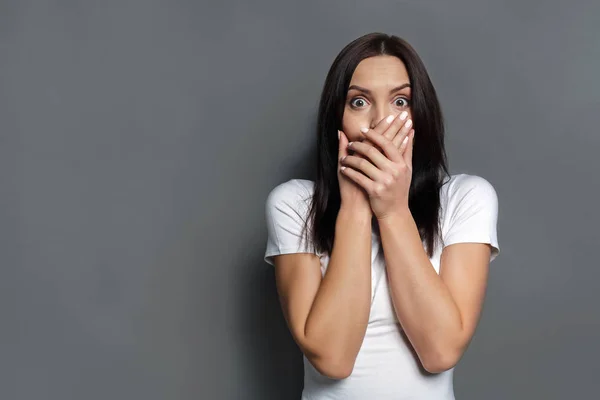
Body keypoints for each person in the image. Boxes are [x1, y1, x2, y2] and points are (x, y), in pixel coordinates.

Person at [263, 32, 500, 399]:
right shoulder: (294, 204)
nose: (379, 121)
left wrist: (392, 211)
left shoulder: (465, 198)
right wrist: (357, 206)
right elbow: (332, 357)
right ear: (336, 120)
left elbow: (440, 352)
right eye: (359, 101)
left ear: (421, 114)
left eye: (400, 101)